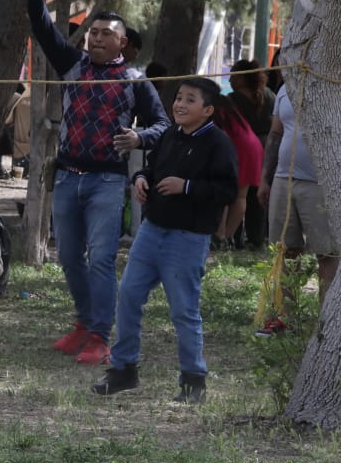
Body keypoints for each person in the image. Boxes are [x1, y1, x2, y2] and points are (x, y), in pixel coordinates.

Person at [16, 0, 170, 365]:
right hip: (67, 178)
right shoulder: (73, 66)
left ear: (124, 42)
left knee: (100, 257)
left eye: (107, 34)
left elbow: (163, 126)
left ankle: (102, 335)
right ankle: (84, 323)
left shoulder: (136, 82)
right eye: (94, 33)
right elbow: (44, 31)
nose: (97, 38)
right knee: (66, 256)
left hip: (105, 182)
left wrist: (138, 136)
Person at [92, 77, 238, 403]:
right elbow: (151, 168)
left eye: (190, 100)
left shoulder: (218, 143)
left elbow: (228, 190)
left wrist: (186, 187)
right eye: (179, 98)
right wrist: (141, 179)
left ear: (208, 110)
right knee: (128, 296)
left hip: (187, 239)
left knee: (183, 311)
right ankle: (123, 370)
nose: (180, 105)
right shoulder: (170, 134)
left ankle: (193, 380)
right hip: (151, 232)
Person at [255, 80, 341, 336]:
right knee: (285, 251)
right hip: (283, 179)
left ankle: (328, 323)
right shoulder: (284, 88)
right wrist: (265, 179)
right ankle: (283, 319)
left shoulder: (339, 89)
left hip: (322, 184)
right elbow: (276, 134)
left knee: (327, 254)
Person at [228, 60, 275, 249]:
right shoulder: (271, 95)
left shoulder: (232, 99)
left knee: (238, 194)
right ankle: (257, 238)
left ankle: (235, 236)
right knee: (259, 195)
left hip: (242, 148)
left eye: (233, 76)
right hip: (265, 148)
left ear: (241, 77)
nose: (230, 80)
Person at [210, 94, 263, 248]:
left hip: (238, 147)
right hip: (251, 146)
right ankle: (228, 238)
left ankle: (219, 236)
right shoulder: (229, 107)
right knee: (240, 197)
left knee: (225, 193)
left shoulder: (212, 108)